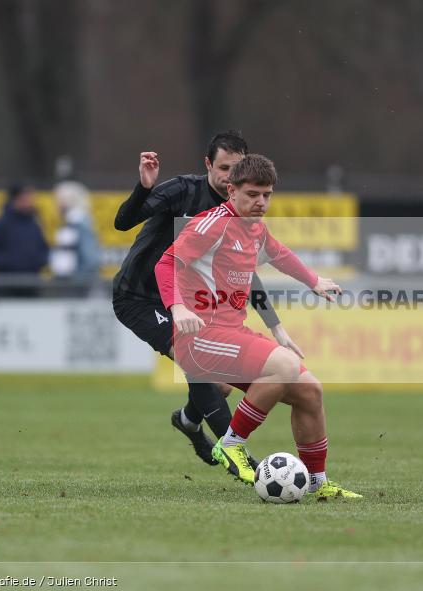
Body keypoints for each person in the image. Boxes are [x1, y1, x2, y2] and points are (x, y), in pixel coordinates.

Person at [155, 154, 361, 499]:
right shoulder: (212, 224)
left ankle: (318, 483)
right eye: (252, 194)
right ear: (231, 191)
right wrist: (177, 309)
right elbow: (166, 264)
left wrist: (313, 281)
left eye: (267, 195)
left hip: (232, 334)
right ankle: (231, 445)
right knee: (285, 364)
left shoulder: (254, 228)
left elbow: (279, 254)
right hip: (200, 337)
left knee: (310, 391)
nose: (261, 202)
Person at [112, 131, 300, 467]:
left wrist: (274, 324)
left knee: (222, 387)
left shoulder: (239, 212)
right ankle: (239, 459)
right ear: (207, 165)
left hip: (192, 306)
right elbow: (123, 222)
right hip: (140, 297)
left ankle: (187, 420)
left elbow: (246, 275)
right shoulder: (184, 190)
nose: (231, 175)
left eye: (237, 167)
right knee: (199, 370)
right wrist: (144, 185)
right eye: (224, 167)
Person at [0, 183, 49, 298]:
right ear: (16, 199)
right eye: (26, 198)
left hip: (32, 284)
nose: (30, 201)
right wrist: (10, 263)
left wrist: (38, 261)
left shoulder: (34, 225)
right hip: (6, 285)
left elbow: (44, 249)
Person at [50, 181, 101, 296]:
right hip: (71, 285)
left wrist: (77, 281)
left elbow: (90, 258)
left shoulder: (79, 224)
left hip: (76, 287)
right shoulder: (72, 223)